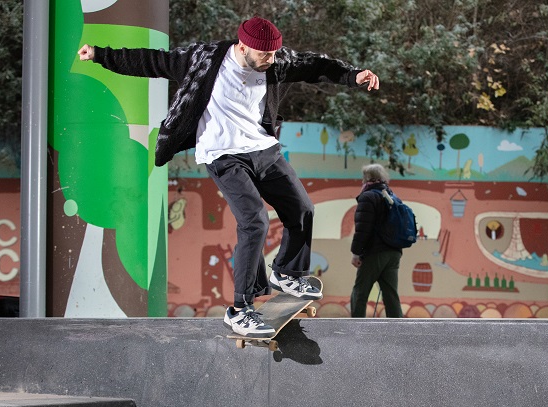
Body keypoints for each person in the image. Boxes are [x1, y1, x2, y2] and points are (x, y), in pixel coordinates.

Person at [78, 16, 380, 337]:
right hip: (222, 154)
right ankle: (240, 308)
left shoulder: (275, 62)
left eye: (274, 54)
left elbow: (315, 65)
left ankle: (287, 272)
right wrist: (100, 54)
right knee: (255, 221)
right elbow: (153, 61)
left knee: (302, 209)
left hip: (263, 148)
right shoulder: (204, 60)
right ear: (243, 46)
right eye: (264, 54)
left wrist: (352, 75)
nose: (271, 60)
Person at [350, 164, 403, 318]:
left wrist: (356, 253)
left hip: (374, 253)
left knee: (360, 292)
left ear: (367, 178)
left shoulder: (367, 197)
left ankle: (355, 330)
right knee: (391, 296)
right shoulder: (393, 197)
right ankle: (400, 332)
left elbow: (363, 229)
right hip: (394, 253)